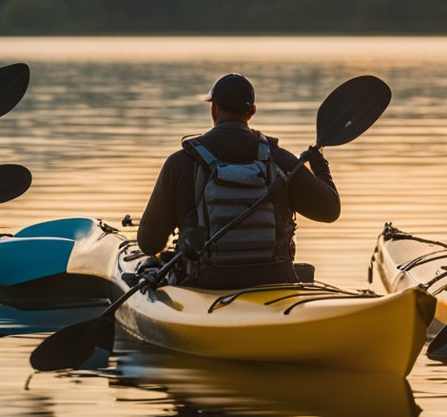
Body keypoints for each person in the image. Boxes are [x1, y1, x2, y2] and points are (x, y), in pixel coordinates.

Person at [137, 73, 340, 288]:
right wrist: (319, 163)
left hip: (206, 285)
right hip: (275, 282)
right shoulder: (281, 160)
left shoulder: (180, 163)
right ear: (252, 112)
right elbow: (329, 211)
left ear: (214, 109)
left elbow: (149, 243)